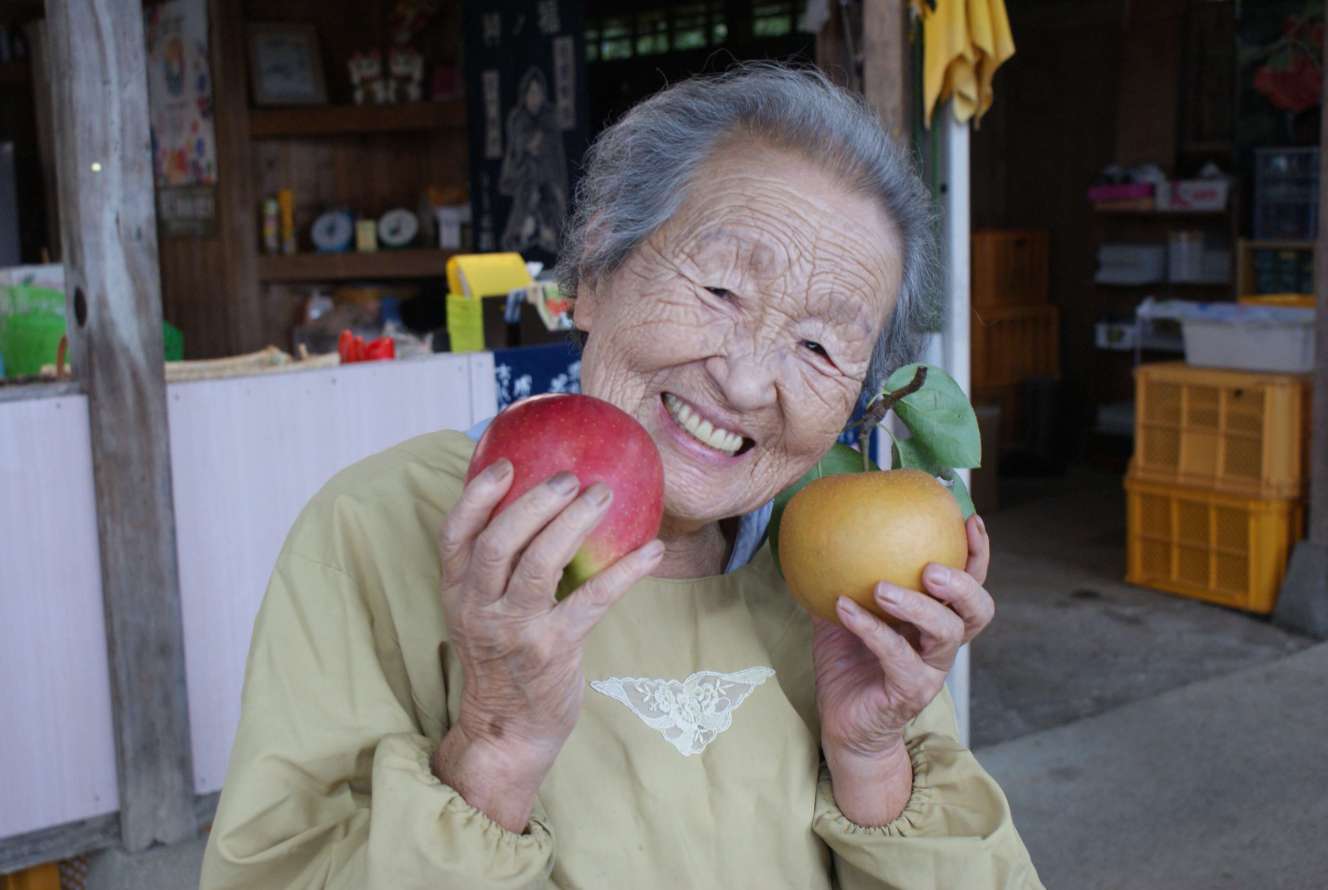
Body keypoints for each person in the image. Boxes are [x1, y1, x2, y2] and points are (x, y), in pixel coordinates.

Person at [200, 64, 1043, 889]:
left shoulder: (842, 567)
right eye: (719, 289)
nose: (749, 383)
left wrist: (872, 760)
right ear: (595, 273)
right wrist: (494, 742)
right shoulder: (379, 528)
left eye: (821, 347)